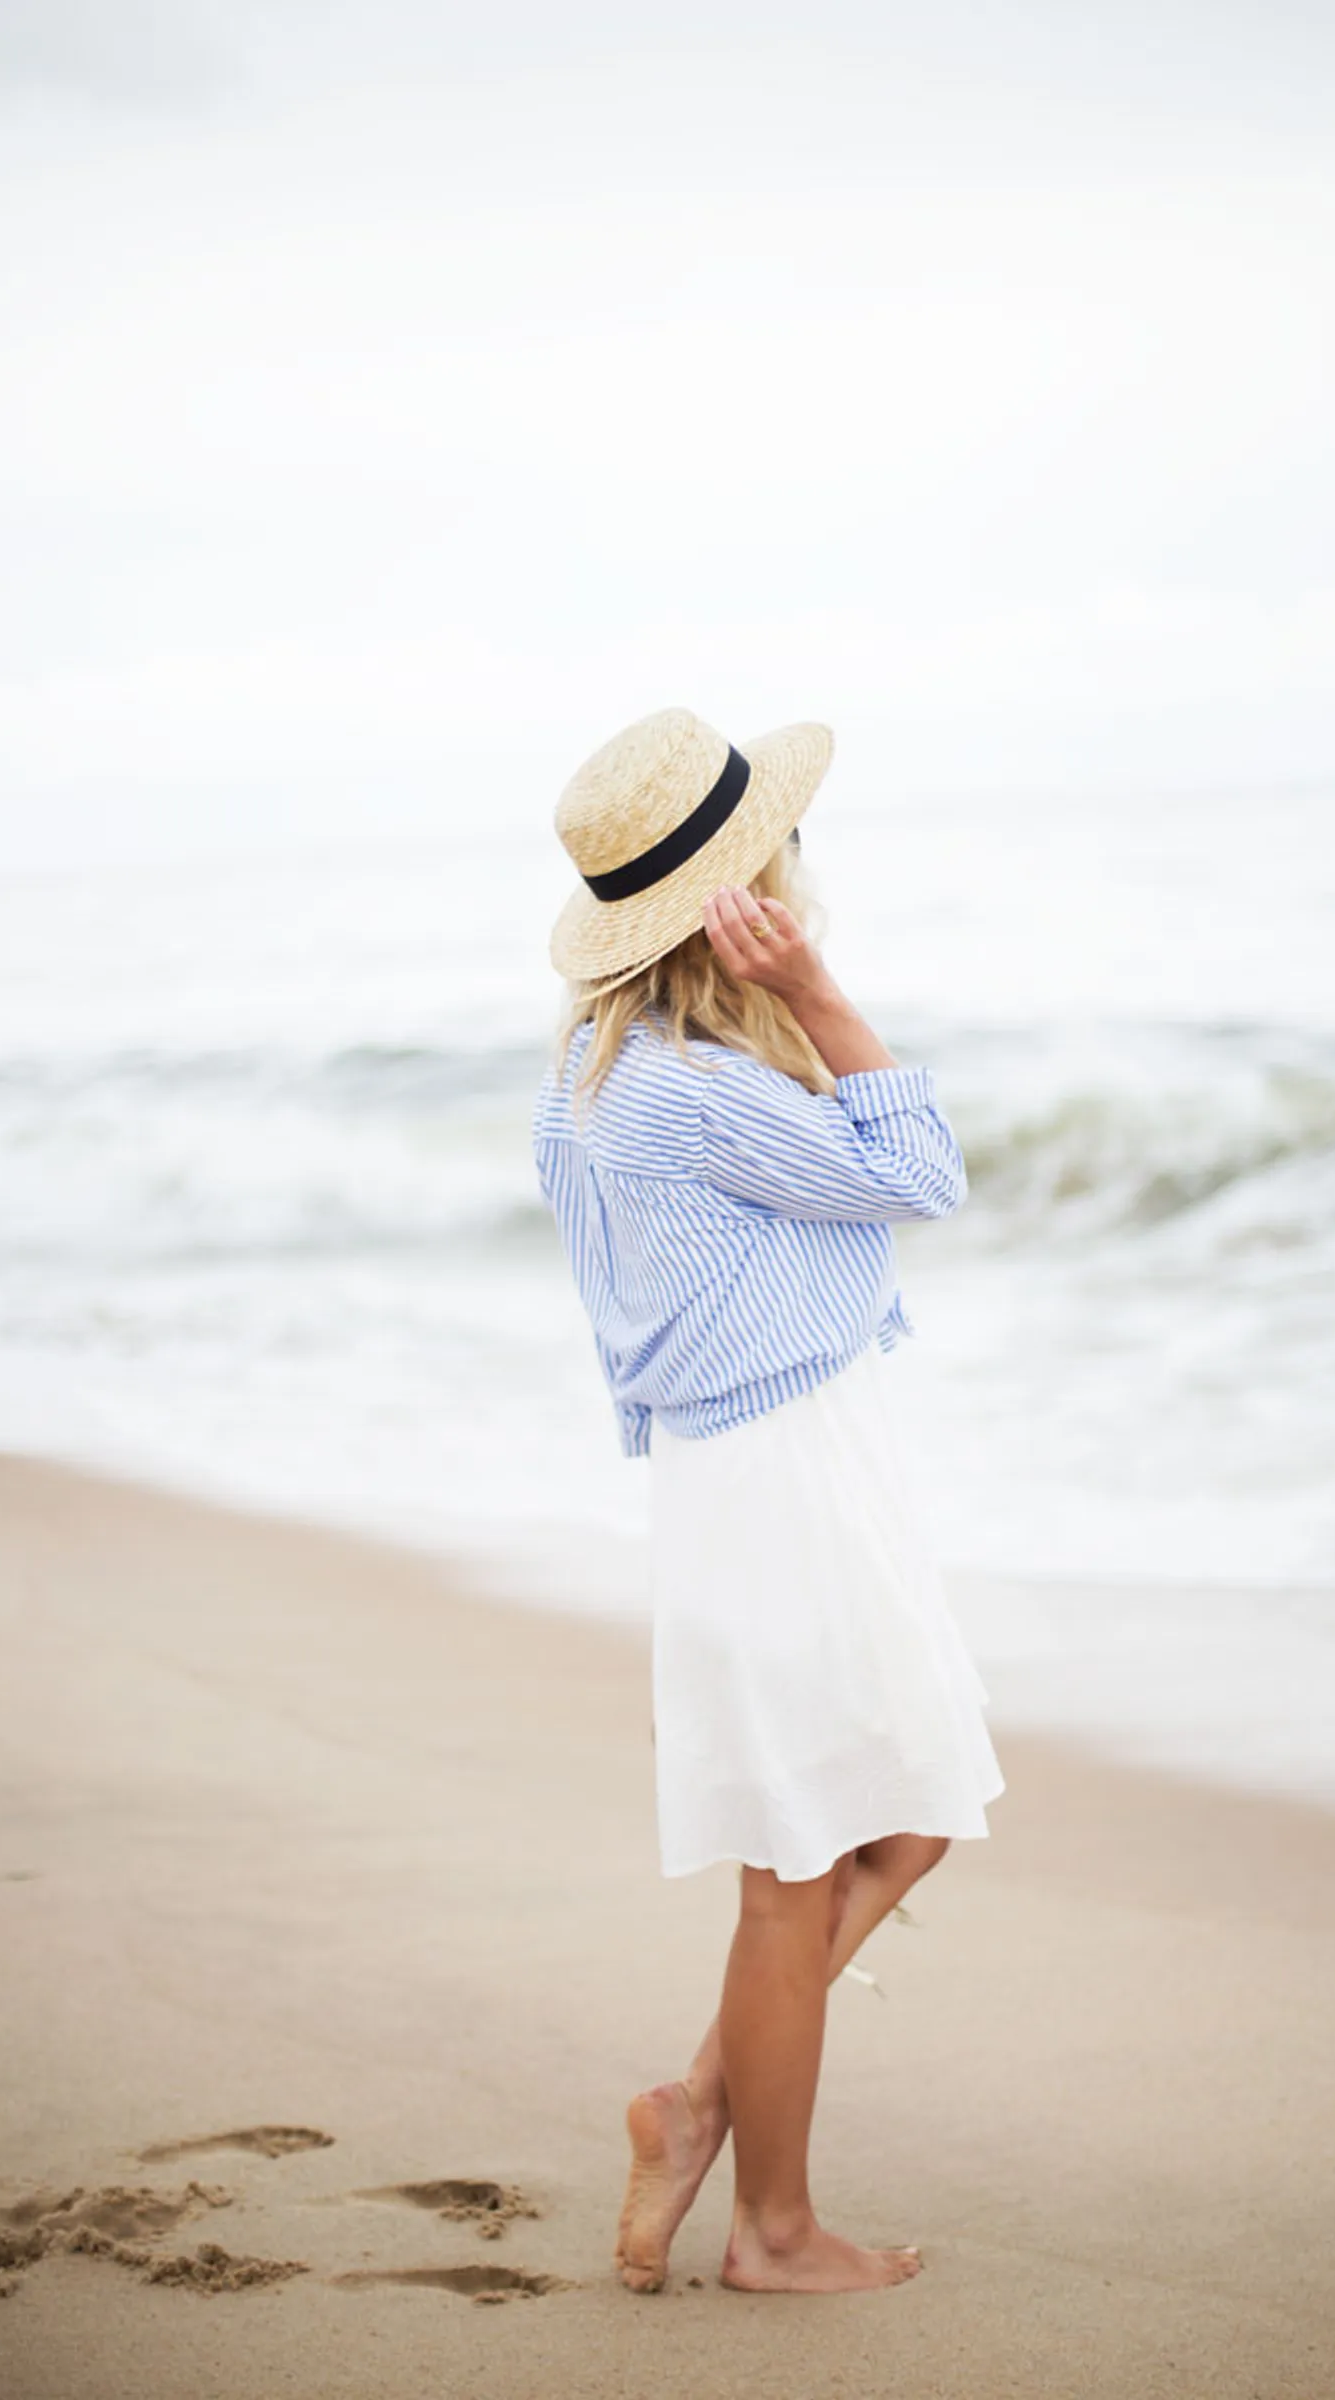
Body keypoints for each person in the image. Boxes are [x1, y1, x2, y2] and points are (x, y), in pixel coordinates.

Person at [532, 707, 1005, 2297]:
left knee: (906, 1815)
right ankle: (774, 2230)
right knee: (804, 1863)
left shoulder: (589, 1088)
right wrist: (819, 991)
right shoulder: (684, 1089)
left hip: (751, 1479)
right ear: (747, 894)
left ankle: (701, 2109)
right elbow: (926, 1171)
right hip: (785, 1480)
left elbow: (622, 1324)